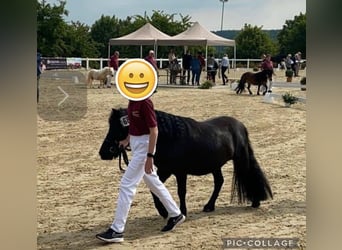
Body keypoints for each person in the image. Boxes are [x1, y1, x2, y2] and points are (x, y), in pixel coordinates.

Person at [96, 97, 186, 243]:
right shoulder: (132, 101)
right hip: (137, 145)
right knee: (153, 182)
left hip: (144, 147)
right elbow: (134, 125)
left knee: (127, 184)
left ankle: (117, 229)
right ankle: (175, 214)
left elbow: (154, 131)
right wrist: (127, 140)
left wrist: (150, 156)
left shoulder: (145, 102)